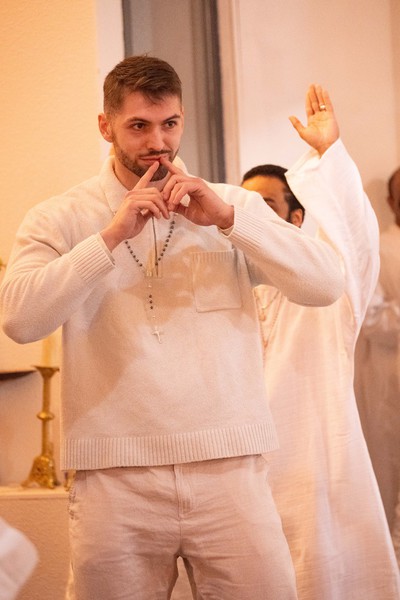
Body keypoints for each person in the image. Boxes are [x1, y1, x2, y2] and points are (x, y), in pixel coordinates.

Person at [0, 56, 346, 600]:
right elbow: (20, 319)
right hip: (113, 478)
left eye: (170, 124)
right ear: (106, 125)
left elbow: (326, 283)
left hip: (230, 469)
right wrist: (109, 238)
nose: (158, 142)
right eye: (139, 126)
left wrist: (230, 222)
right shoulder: (59, 216)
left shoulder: (231, 204)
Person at [240, 91, 400, 598]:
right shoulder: (224, 292)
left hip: (312, 474)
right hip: (240, 483)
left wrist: (329, 154)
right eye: (243, 208)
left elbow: (353, 241)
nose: (251, 218)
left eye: (265, 206)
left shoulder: (324, 292)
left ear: (296, 219)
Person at [355, 167, 400, 565]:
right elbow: (372, 319)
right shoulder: (378, 249)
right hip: (387, 386)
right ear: (390, 202)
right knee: (383, 482)